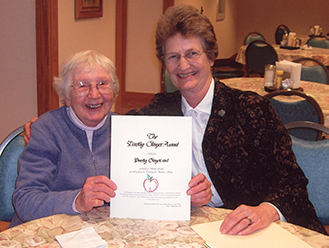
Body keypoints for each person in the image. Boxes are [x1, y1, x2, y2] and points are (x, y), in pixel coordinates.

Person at [22, 6, 327, 235]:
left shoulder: (251, 109)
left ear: (211, 56)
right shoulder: (158, 110)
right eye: (172, 57)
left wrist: (266, 211)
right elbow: (106, 123)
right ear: (164, 64)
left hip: (248, 230)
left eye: (192, 53)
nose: (183, 65)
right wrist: (53, 123)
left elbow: (293, 183)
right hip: (185, 228)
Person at [11, 50, 210, 228]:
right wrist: (77, 200)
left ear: (113, 92)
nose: (94, 94)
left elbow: (149, 190)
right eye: (82, 86)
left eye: (102, 84)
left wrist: (187, 195)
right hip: (52, 234)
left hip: (103, 234)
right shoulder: (47, 129)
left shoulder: (128, 130)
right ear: (66, 96)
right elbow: (25, 200)